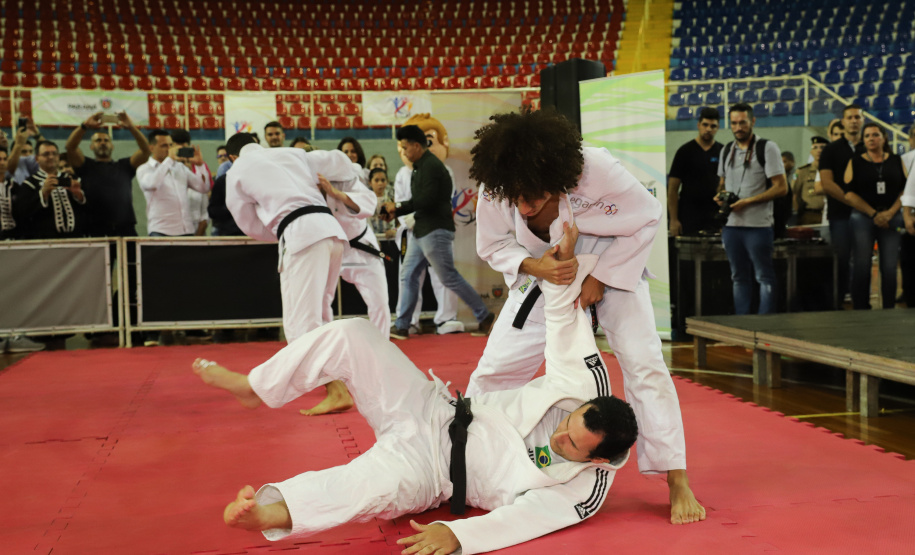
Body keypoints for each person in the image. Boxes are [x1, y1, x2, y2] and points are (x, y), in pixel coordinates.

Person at [193, 231, 640, 553]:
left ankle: (269, 511)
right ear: (583, 407)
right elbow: (563, 323)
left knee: (362, 488)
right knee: (354, 334)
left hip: (431, 472)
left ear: (598, 460)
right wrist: (562, 268)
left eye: (572, 445)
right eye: (567, 425)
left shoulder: (584, 490)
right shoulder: (584, 387)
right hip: (433, 408)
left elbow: (525, 520)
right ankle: (256, 387)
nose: (560, 436)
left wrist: (460, 535)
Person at [469, 108, 704, 525]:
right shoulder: (498, 180)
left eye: (532, 196)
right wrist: (533, 266)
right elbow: (491, 245)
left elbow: (648, 216)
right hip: (544, 275)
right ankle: (461, 455)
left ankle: (676, 477)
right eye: (516, 197)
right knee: (494, 370)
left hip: (613, 264)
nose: (523, 206)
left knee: (645, 364)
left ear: (556, 174)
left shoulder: (597, 170)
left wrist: (602, 276)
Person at [223, 132, 353, 413]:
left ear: (232, 156)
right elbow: (341, 161)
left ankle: (336, 390)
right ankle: (342, 383)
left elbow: (248, 223)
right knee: (322, 317)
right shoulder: (291, 153)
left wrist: (279, 230)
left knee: (300, 326)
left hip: (301, 235)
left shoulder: (237, 170)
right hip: (331, 231)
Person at [382, 125, 494, 339]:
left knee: (448, 277)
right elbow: (422, 201)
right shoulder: (420, 167)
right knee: (408, 275)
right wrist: (398, 209)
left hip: (434, 230)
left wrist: (398, 207)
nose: (403, 152)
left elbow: (426, 200)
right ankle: (403, 325)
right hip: (422, 230)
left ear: (416, 146)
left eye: (405, 147)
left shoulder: (431, 166)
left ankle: (485, 316)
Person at [716, 103, 788, 315]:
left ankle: (763, 325)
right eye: (734, 123)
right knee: (738, 278)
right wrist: (720, 197)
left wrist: (748, 201)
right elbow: (722, 184)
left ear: (753, 121)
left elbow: (782, 187)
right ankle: (742, 325)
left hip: (758, 225)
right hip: (731, 226)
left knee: (764, 276)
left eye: (743, 123)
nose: (738, 128)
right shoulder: (726, 150)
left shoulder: (767, 148)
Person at [843, 123, 908, 310]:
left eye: (875, 135)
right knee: (862, 264)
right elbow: (849, 194)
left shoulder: (896, 160)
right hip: (863, 217)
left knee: (889, 266)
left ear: (884, 137)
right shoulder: (855, 162)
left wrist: (890, 213)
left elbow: (905, 190)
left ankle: (888, 308)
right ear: (863, 140)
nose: (871, 139)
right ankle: (861, 308)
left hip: (892, 216)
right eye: (867, 136)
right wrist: (873, 214)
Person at [65, 111, 152, 237]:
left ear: (112, 146)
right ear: (91, 146)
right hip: (96, 229)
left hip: (125, 228)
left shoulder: (125, 166)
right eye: (98, 140)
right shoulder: (85, 166)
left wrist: (131, 127)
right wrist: (84, 126)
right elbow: (70, 147)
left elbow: (146, 150)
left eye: (106, 140)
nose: (103, 143)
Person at [819, 104, 865, 306]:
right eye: (850, 117)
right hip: (840, 215)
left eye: (857, 117)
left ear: (862, 120)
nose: (854, 121)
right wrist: (851, 200)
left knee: (863, 262)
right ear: (843, 121)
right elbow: (827, 183)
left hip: (866, 215)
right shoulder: (831, 150)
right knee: (842, 260)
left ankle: (862, 303)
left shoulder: (870, 146)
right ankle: (836, 303)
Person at [137, 130, 210, 237]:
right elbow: (152, 184)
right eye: (164, 145)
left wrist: (200, 166)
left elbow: (203, 188)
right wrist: (169, 160)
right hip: (161, 230)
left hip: (186, 230)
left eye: (170, 145)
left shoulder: (180, 167)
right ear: (151, 148)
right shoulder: (144, 169)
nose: (169, 149)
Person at [13, 141, 88, 239]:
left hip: (77, 238)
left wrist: (79, 195)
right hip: (45, 241)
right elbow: (22, 213)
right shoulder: (30, 184)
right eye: (46, 154)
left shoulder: (72, 179)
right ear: (37, 158)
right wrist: (43, 194)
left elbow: (90, 209)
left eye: (54, 154)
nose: (51, 157)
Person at [668, 107, 723, 236]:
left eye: (713, 126)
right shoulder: (684, 151)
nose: (708, 129)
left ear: (718, 128)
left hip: (714, 217)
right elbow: (672, 190)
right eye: (705, 125)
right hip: (688, 216)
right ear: (698, 125)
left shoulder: (723, 151)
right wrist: (674, 220)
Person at [171, 129, 211, 236]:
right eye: (177, 148)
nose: (181, 151)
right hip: (172, 228)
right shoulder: (167, 167)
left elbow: (207, 190)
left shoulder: (199, 166)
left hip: (196, 224)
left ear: (188, 146)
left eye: (184, 147)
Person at [793, 136, 829, 225]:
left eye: (822, 147)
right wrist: (798, 213)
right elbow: (794, 193)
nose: (819, 150)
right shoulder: (801, 171)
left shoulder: (832, 170)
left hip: (829, 215)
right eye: (815, 147)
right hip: (809, 216)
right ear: (811, 151)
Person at [6, 117, 43, 184]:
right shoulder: (7, 166)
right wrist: (19, 144)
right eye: (23, 152)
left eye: (30, 151)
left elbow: (46, 151)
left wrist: (37, 135)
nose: (28, 154)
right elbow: (9, 169)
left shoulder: (33, 166)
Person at [368, 167, 397, 238]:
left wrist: (394, 230)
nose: (380, 183)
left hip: (390, 238)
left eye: (383, 180)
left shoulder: (392, 199)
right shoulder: (366, 201)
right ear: (370, 183)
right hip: (372, 238)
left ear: (387, 181)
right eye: (376, 180)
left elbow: (400, 221)